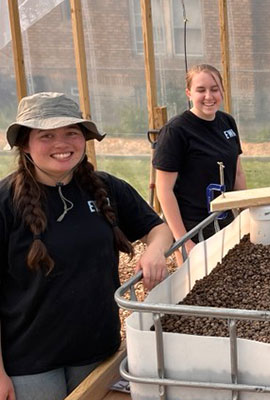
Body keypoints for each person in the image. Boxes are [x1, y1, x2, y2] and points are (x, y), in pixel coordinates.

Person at [0, 92, 172, 400]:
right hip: (30, 363)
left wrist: (155, 250)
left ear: (84, 138)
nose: (61, 144)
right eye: (47, 136)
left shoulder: (105, 188)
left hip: (97, 351)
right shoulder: (5, 202)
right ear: (25, 144)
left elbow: (158, 228)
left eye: (71, 133)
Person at [154, 64, 247, 255]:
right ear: (189, 93)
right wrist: (184, 242)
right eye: (201, 90)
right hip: (193, 226)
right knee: (195, 282)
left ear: (222, 90)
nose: (209, 96)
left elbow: (237, 171)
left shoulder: (227, 122)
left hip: (224, 219)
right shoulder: (176, 131)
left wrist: (246, 214)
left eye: (214, 89)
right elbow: (164, 190)